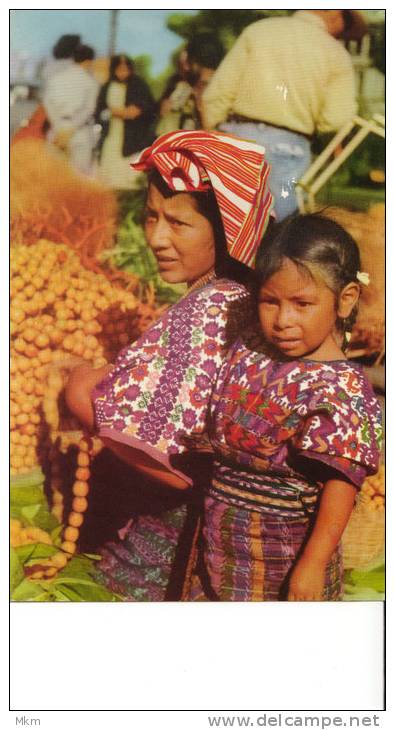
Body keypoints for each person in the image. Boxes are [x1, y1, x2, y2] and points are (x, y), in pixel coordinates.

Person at [65, 129, 274, 601]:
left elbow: (152, 444)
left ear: (225, 232)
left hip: (187, 523)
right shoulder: (243, 296)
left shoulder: (202, 312)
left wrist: (82, 394)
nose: (157, 237)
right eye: (150, 217)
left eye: (178, 224)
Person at [183, 213, 382, 601]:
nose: (283, 320)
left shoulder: (340, 388)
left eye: (302, 303)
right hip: (218, 539)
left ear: (345, 300)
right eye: (270, 301)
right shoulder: (252, 347)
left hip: (282, 557)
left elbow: (341, 484)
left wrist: (312, 565)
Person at [201, 10, 366, 220]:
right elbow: (336, 119)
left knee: (220, 224)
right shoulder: (336, 54)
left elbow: (216, 96)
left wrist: (214, 136)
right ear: (336, 12)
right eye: (347, 22)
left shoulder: (259, 31)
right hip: (289, 148)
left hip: (235, 136)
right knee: (274, 235)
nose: (343, 32)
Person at [95, 54, 156, 190]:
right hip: (112, 137)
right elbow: (100, 112)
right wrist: (113, 112)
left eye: (125, 68)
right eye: (119, 68)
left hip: (132, 138)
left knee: (129, 176)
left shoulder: (139, 85)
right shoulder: (107, 86)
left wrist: (138, 111)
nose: (122, 71)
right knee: (109, 176)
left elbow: (150, 108)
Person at [43, 44, 99, 175]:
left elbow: (48, 103)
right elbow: (89, 109)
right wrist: (69, 131)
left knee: (54, 175)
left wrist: (58, 128)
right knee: (79, 177)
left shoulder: (56, 78)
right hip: (79, 132)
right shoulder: (90, 82)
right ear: (89, 61)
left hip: (57, 130)